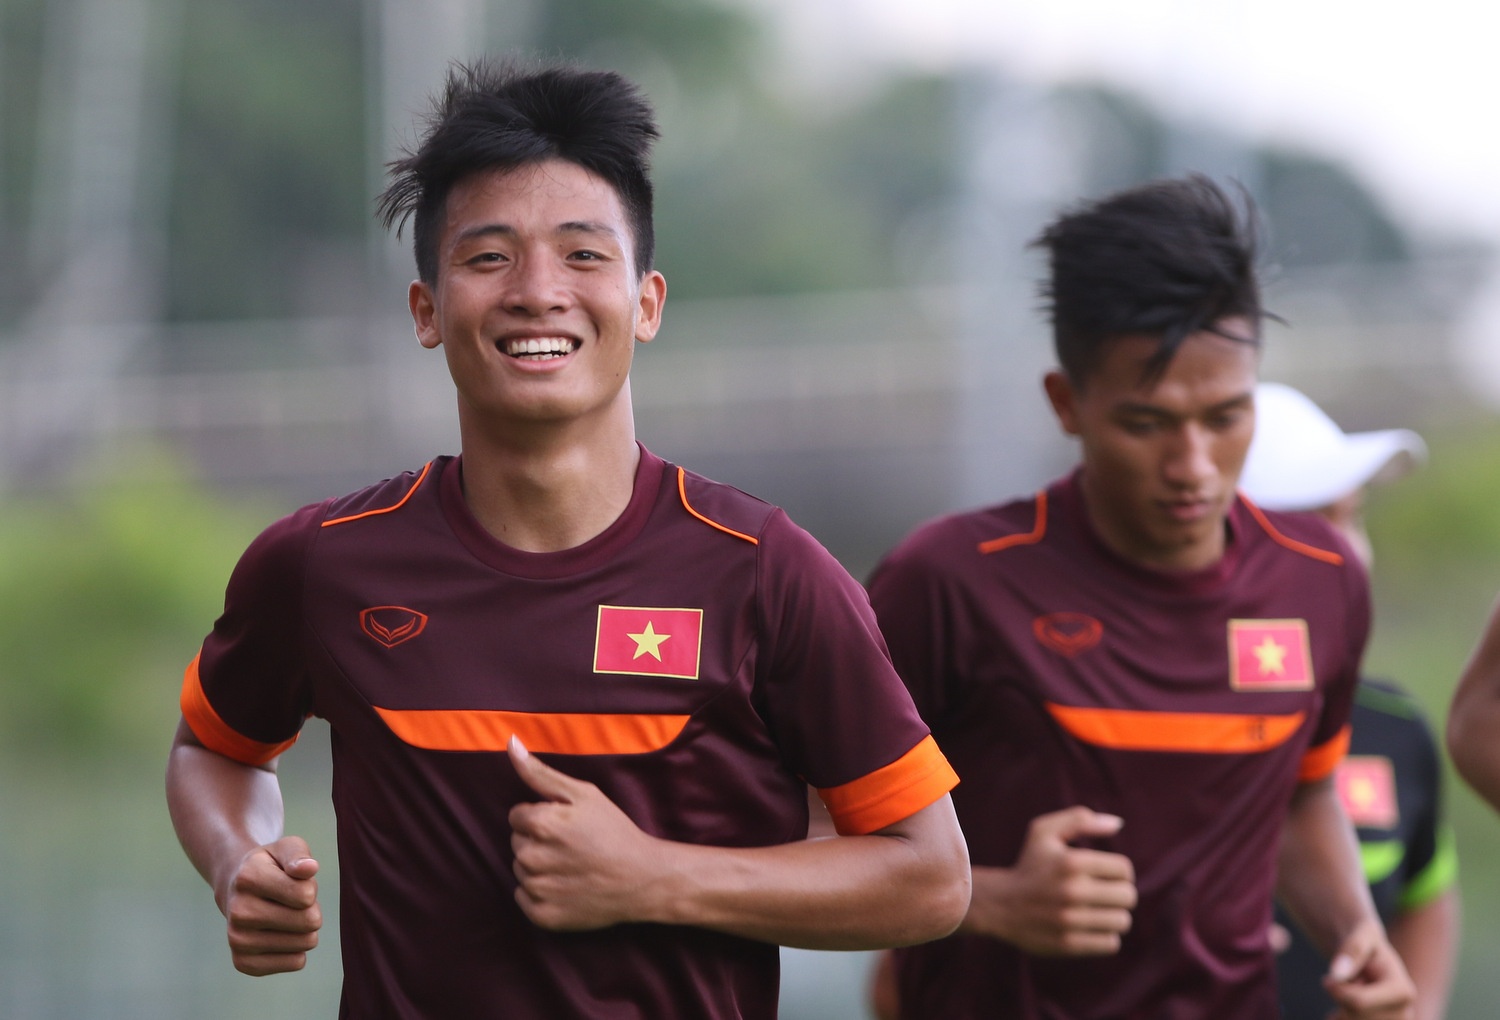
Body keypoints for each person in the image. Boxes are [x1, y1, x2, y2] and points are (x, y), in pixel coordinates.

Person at [165, 59, 969, 1018]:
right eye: (488, 257)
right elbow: (215, 748)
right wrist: (238, 864)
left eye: (583, 254)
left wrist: (656, 877)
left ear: (647, 303)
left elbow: (930, 878)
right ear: (427, 311)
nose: (538, 291)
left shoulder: (766, 572)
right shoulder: (324, 564)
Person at [865, 176, 1415, 1019]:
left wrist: (1356, 932)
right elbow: (802, 819)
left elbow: (1302, 794)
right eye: (1147, 424)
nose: (1193, 466)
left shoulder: (1322, 579)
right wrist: (996, 900)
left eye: (1225, 417)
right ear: (1067, 403)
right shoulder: (948, 580)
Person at [1240, 382, 1458, 1020]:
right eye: (1312, 522)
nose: (1349, 551)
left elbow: (1426, 892)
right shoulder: (1127, 712)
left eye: (1352, 516)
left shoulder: (1394, 726)